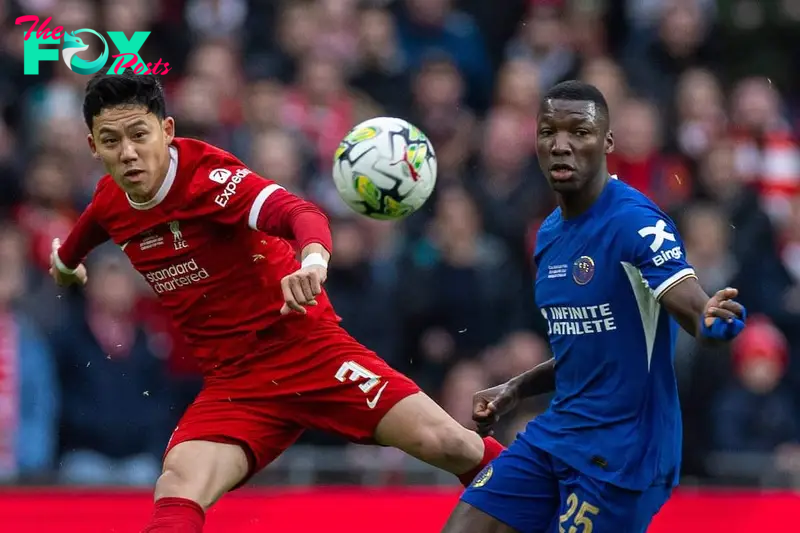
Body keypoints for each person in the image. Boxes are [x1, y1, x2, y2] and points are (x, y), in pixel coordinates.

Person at [50, 72, 504, 533]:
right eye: (111, 141)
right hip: (237, 383)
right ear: (93, 146)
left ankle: (559, 508)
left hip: (307, 349)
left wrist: (312, 261)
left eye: (139, 135)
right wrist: (67, 263)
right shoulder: (111, 200)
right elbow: (85, 233)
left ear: (166, 131)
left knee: (450, 443)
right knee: (178, 481)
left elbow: (298, 212)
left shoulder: (209, 178)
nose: (127, 153)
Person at [442, 81, 747, 533]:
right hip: (559, 434)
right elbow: (587, 345)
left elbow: (691, 306)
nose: (561, 145)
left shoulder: (635, 222)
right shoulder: (548, 234)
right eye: (549, 132)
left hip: (626, 454)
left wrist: (709, 319)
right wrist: (516, 389)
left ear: (607, 142)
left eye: (579, 132)